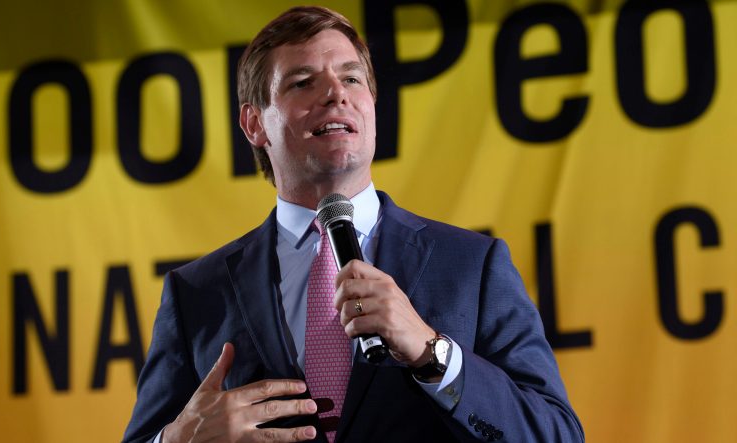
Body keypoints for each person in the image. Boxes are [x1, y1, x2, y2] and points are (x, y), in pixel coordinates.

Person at [123, 6, 583, 443]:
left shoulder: (472, 265)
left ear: (373, 106)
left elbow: (556, 434)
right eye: (303, 82)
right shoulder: (195, 292)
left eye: (351, 78)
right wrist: (180, 438)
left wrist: (432, 352)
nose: (336, 93)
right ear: (254, 124)